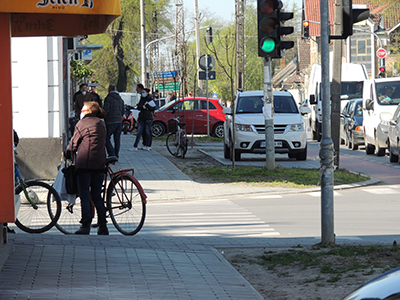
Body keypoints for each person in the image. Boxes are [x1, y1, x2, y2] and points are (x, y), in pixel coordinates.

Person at [64, 101, 108, 235]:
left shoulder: (81, 124)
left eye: (82, 110)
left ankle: (85, 225)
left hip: (85, 164)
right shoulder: (101, 123)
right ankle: (103, 225)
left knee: (84, 194)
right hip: (100, 164)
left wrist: (67, 154)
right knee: (96, 195)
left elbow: (73, 144)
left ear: (88, 111)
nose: (80, 112)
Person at [103, 84, 125, 158]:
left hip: (110, 121)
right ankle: (116, 154)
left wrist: (103, 117)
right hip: (119, 121)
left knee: (106, 137)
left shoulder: (108, 98)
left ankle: (111, 153)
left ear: (109, 90)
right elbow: (123, 111)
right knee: (117, 139)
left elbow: (106, 110)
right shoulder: (120, 99)